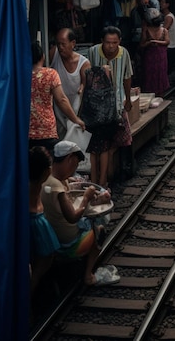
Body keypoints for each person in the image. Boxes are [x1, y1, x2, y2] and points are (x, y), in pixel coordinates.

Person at [41, 141, 120, 286]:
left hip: (52, 238)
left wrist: (76, 184)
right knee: (99, 229)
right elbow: (73, 217)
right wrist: (86, 198)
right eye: (75, 164)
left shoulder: (47, 177)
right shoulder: (56, 186)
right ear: (69, 158)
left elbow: (67, 193)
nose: (74, 169)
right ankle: (88, 276)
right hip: (67, 244)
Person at [87, 26, 133, 182]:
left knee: (124, 137)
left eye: (114, 42)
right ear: (102, 42)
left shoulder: (124, 53)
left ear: (119, 41)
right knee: (100, 143)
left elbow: (127, 77)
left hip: (118, 103)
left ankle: (121, 170)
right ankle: (103, 178)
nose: (111, 46)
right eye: (108, 42)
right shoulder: (92, 52)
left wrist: (128, 99)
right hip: (96, 106)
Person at [29, 42, 85, 154]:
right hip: (46, 130)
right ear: (43, 57)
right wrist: (75, 119)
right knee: (48, 163)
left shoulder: (18, 75)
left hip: (24, 130)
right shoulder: (50, 74)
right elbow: (61, 100)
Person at [29, 146, 60, 296]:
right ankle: (28, 295)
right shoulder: (35, 186)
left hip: (35, 219)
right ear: (46, 171)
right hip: (36, 222)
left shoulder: (31, 182)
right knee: (43, 261)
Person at [50, 28, 91, 139]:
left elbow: (85, 85)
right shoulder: (54, 54)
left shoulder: (83, 63)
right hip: (57, 110)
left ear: (73, 44)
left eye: (63, 44)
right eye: (58, 44)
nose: (60, 47)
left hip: (76, 110)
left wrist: (82, 87)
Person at [140, 7, 170, 97]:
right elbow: (167, 42)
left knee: (150, 73)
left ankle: (151, 93)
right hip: (161, 56)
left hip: (150, 56)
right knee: (161, 73)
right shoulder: (164, 30)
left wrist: (152, 42)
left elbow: (142, 44)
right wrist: (156, 42)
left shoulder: (146, 30)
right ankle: (160, 94)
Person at [158, 0, 175, 73]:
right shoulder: (165, 16)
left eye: (163, 2)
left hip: (169, 46)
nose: (160, 4)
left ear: (167, 4)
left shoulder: (169, 17)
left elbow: (164, 31)